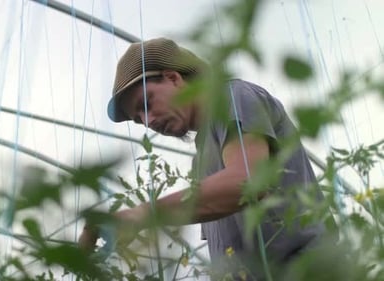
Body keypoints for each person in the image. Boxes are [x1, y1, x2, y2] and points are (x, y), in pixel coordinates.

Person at [78, 37, 325, 279]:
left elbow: (247, 181)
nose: (148, 121)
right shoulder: (202, 157)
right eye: (139, 118)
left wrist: (142, 215)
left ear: (173, 78)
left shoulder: (234, 97)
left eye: (147, 103)